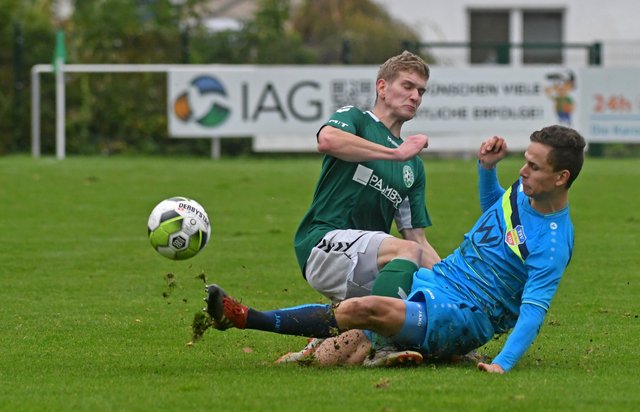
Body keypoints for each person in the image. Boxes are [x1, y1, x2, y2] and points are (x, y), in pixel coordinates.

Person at [203, 125, 586, 373]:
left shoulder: (553, 243)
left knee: (366, 310)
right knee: (358, 327)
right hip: (440, 280)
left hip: (466, 315)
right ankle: (343, 348)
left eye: (534, 167)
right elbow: (498, 213)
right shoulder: (524, 191)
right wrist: (487, 169)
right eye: (525, 162)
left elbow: (534, 312)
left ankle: (244, 318)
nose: (522, 171)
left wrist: (502, 364)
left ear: (561, 177)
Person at [282, 51, 441, 363]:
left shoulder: (413, 166)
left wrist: (456, 285)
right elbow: (327, 141)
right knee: (405, 258)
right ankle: (383, 347)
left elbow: (418, 239)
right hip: (322, 241)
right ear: (382, 87)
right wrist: (394, 153)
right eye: (407, 86)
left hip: (367, 262)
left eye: (421, 91)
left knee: (425, 301)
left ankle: (315, 350)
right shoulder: (356, 119)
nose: (415, 96)